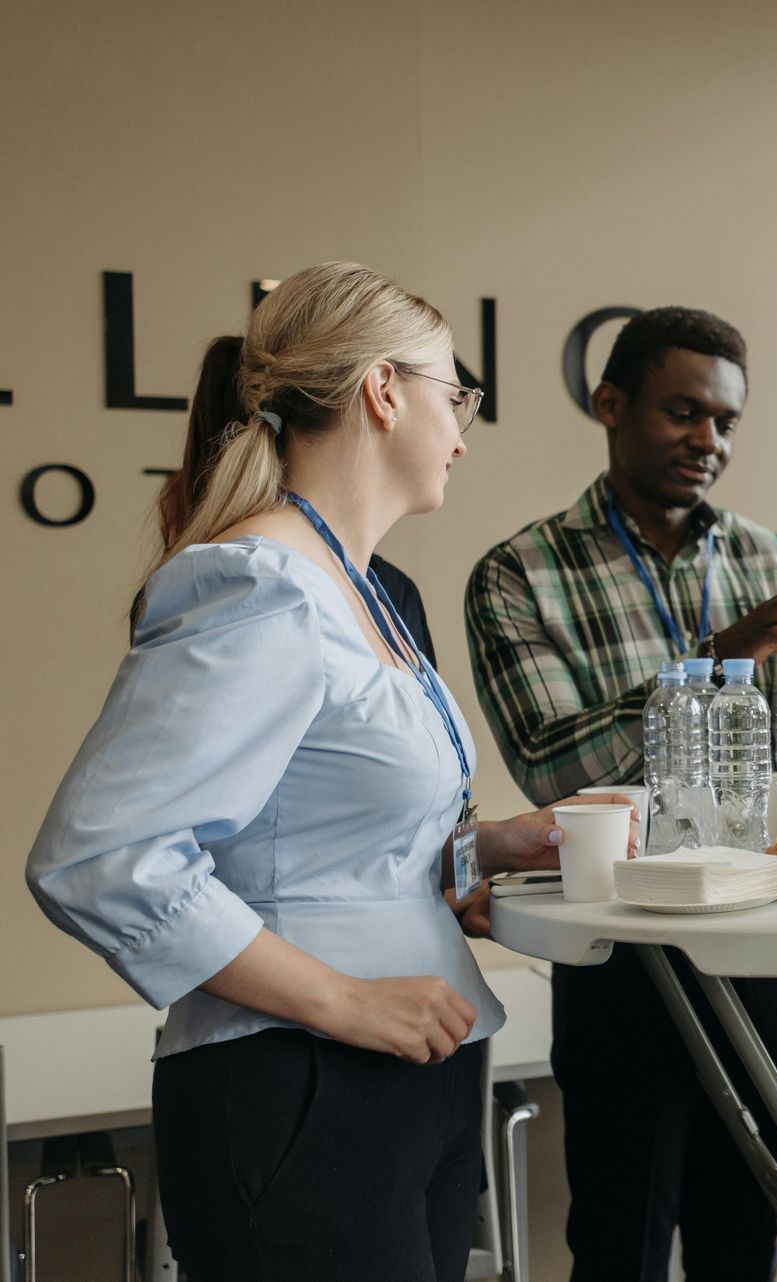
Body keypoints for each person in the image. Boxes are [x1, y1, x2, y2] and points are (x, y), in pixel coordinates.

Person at [27, 263, 621, 1282]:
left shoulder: (360, 588)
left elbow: (329, 843)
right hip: (301, 1086)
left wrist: (493, 844)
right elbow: (103, 857)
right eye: (455, 397)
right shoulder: (258, 586)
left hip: (409, 1080)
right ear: (383, 392)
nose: (464, 433)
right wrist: (344, 1001)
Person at [464, 305, 777, 1282]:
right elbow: (551, 765)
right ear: (610, 403)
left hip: (765, 936)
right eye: (683, 412)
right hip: (623, 951)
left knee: (745, 1237)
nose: (708, 441)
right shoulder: (519, 573)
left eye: (726, 421)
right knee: (621, 1240)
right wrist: (721, 656)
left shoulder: (769, 558)